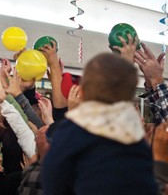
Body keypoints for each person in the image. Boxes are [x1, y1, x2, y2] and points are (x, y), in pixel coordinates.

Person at [42, 53, 159, 195]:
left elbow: (52, 183)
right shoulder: (136, 138)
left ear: (83, 91)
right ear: (129, 97)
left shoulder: (69, 132)